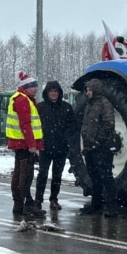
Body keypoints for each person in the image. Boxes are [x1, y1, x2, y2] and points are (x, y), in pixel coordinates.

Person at [8, 75, 46, 230]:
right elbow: (26, 124)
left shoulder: (20, 98)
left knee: (20, 173)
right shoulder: (23, 100)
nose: (35, 88)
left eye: (36, 85)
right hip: (24, 144)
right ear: (25, 87)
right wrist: (32, 144)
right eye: (32, 86)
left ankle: (20, 204)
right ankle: (24, 204)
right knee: (25, 175)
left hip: (20, 143)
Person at [34, 80, 76, 212]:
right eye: (51, 91)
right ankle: (38, 201)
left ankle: (54, 199)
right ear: (47, 93)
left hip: (61, 147)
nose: (53, 94)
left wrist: (66, 139)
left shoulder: (66, 107)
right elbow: (35, 125)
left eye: (55, 91)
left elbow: (73, 126)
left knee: (57, 175)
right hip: (45, 147)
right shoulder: (40, 107)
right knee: (42, 174)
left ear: (59, 93)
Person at [79, 79, 118, 218]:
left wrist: (97, 141)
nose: (87, 92)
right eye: (86, 90)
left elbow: (108, 124)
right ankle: (96, 205)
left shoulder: (104, 104)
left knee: (106, 176)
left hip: (102, 147)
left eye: (89, 90)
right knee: (94, 176)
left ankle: (112, 207)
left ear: (95, 89)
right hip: (90, 147)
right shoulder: (90, 104)